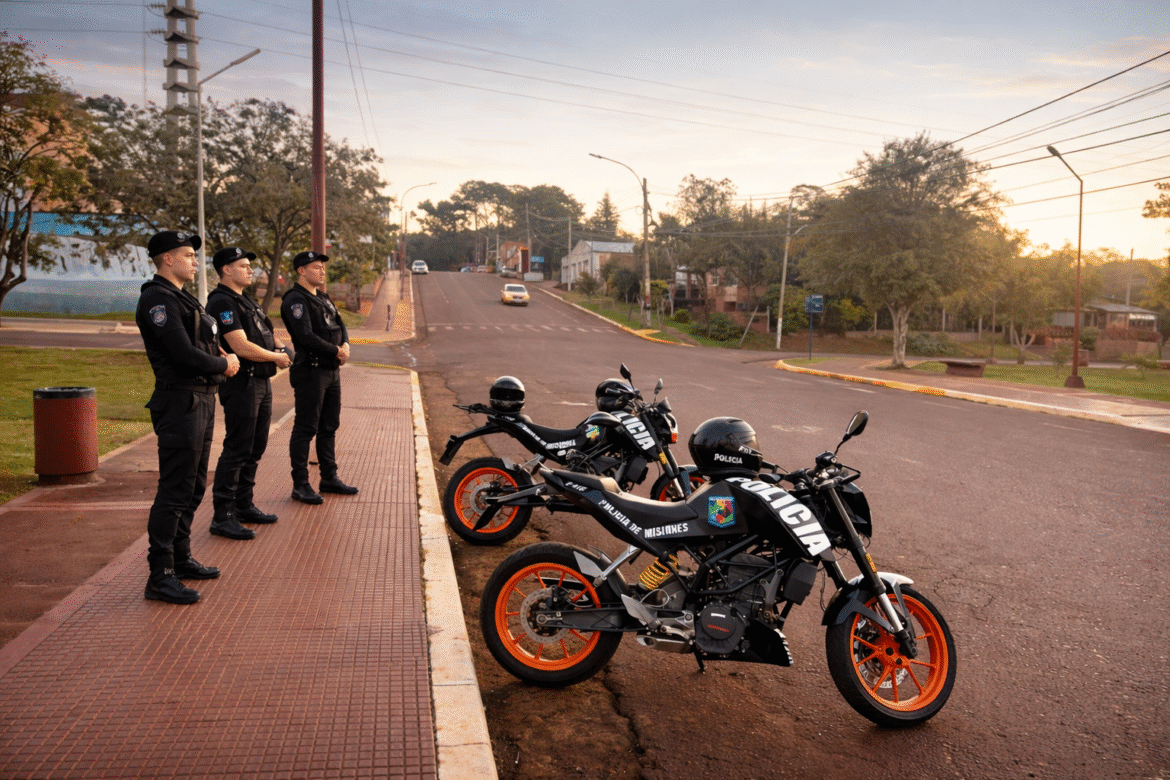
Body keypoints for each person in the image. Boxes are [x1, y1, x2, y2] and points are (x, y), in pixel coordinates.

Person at [135, 230, 240, 604]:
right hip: (180, 402)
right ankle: (160, 574)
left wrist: (217, 364)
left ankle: (180, 558)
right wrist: (224, 363)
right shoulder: (156, 300)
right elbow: (182, 353)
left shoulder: (182, 298)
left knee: (194, 486)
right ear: (167, 259)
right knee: (175, 489)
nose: (195, 262)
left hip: (201, 400)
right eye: (188, 255)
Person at [205, 247, 293, 538]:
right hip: (242, 383)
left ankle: (244, 505)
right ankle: (223, 515)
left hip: (260, 382)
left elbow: (265, 334)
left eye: (248, 266)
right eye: (243, 266)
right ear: (226, 270)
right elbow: (239, 346)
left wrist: (279, 348)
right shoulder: (221, 302)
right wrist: (274, 357)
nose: (249, 270)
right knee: (237, 448)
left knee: (255, 446)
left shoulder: (247, 301)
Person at [280, 250, 359, 504]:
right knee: (306, 428)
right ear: (301, 271)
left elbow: (340, 324)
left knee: (329, 426)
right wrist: (336, 350)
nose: (322, 272)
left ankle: (329, 477)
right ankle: (301, 485)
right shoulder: (295, 300)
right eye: (316, 268)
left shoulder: (322, 297)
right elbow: (305, 337)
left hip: (331, 371)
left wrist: (345, 344)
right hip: (311, 371)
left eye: (323, 268)